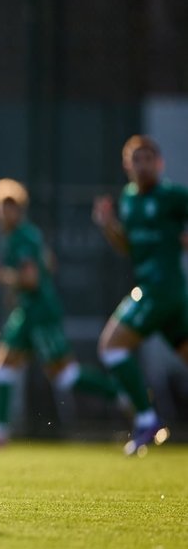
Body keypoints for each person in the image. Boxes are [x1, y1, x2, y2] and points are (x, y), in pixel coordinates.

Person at [0, 178, 124, 447]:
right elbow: (49, 264)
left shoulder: (23, 236)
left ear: (19, 209)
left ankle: (124, 394)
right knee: (0, 366)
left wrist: (1, 276)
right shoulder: (18, 236)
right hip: (27, 312)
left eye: (7, 208)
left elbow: (30, 279)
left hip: (40, 313)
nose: (1, 214)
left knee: (66, 376)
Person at [92, 134, 188, 455]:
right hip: (163, 295)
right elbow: (129, 247)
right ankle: (147, 419)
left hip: (161, 290)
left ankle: (147, 419)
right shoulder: (129, 199)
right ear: (126, 165)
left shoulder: (173, 196)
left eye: (149, 159)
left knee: (111, 346)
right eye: (137, 159)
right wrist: (108, 225)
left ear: (160, 163)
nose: (143, 165)